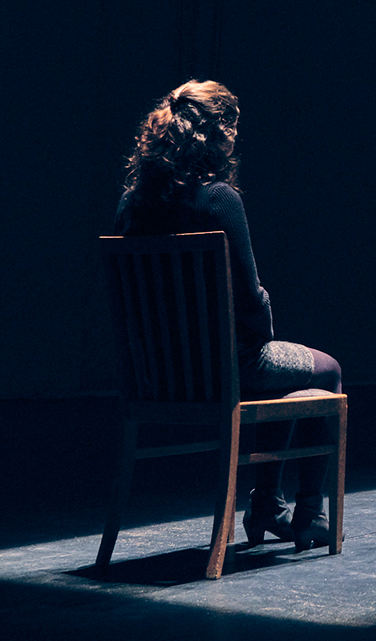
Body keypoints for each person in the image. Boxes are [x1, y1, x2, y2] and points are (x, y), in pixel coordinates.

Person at [112, 79, 342, 549]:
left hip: (158, 375)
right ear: (215, 133)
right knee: (328, 370)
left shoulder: (130, 206)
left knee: (289, 371)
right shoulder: (218, 199)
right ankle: (307, 514)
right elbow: (251, 300)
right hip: (228, 367)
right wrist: (264, 331)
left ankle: (267, 507)